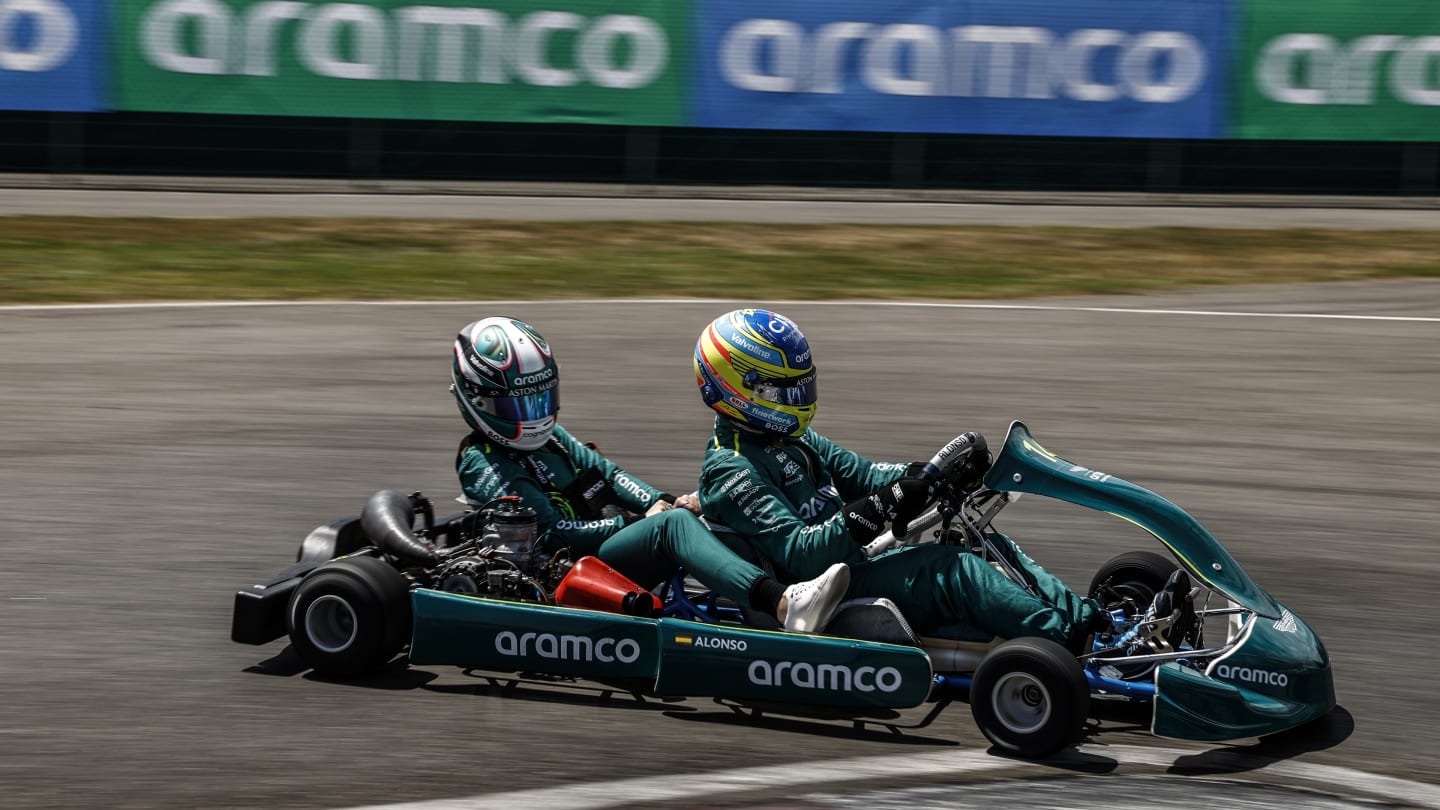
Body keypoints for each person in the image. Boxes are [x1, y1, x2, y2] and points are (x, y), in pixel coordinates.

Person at [692, 308, 1116, 651]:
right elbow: (800, 555)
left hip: (857, 559)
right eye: (783, 392)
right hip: (817, 589)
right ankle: (1074, 644)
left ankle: (1086, 618)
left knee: (981, 539)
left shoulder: (789, 438)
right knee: (952, 570)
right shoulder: (731, 469)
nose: (798, 402)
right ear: (736, 390)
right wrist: (884, 504)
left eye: (802, 388)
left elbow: (864, 475)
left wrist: (929, 476)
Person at [450, 316, 849, 633]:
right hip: (560, 569)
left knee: (689, 513)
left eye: (539, 398)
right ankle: (784, 603)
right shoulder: (481, 460)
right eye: (518, 404)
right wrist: (643, 520)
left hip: (597, 553)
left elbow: (611, 475)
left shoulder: (551, 438)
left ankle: (800, 574)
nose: (533, 415)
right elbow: (553, 533)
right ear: (478, 399)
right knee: (672, 527)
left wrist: (663, 499)